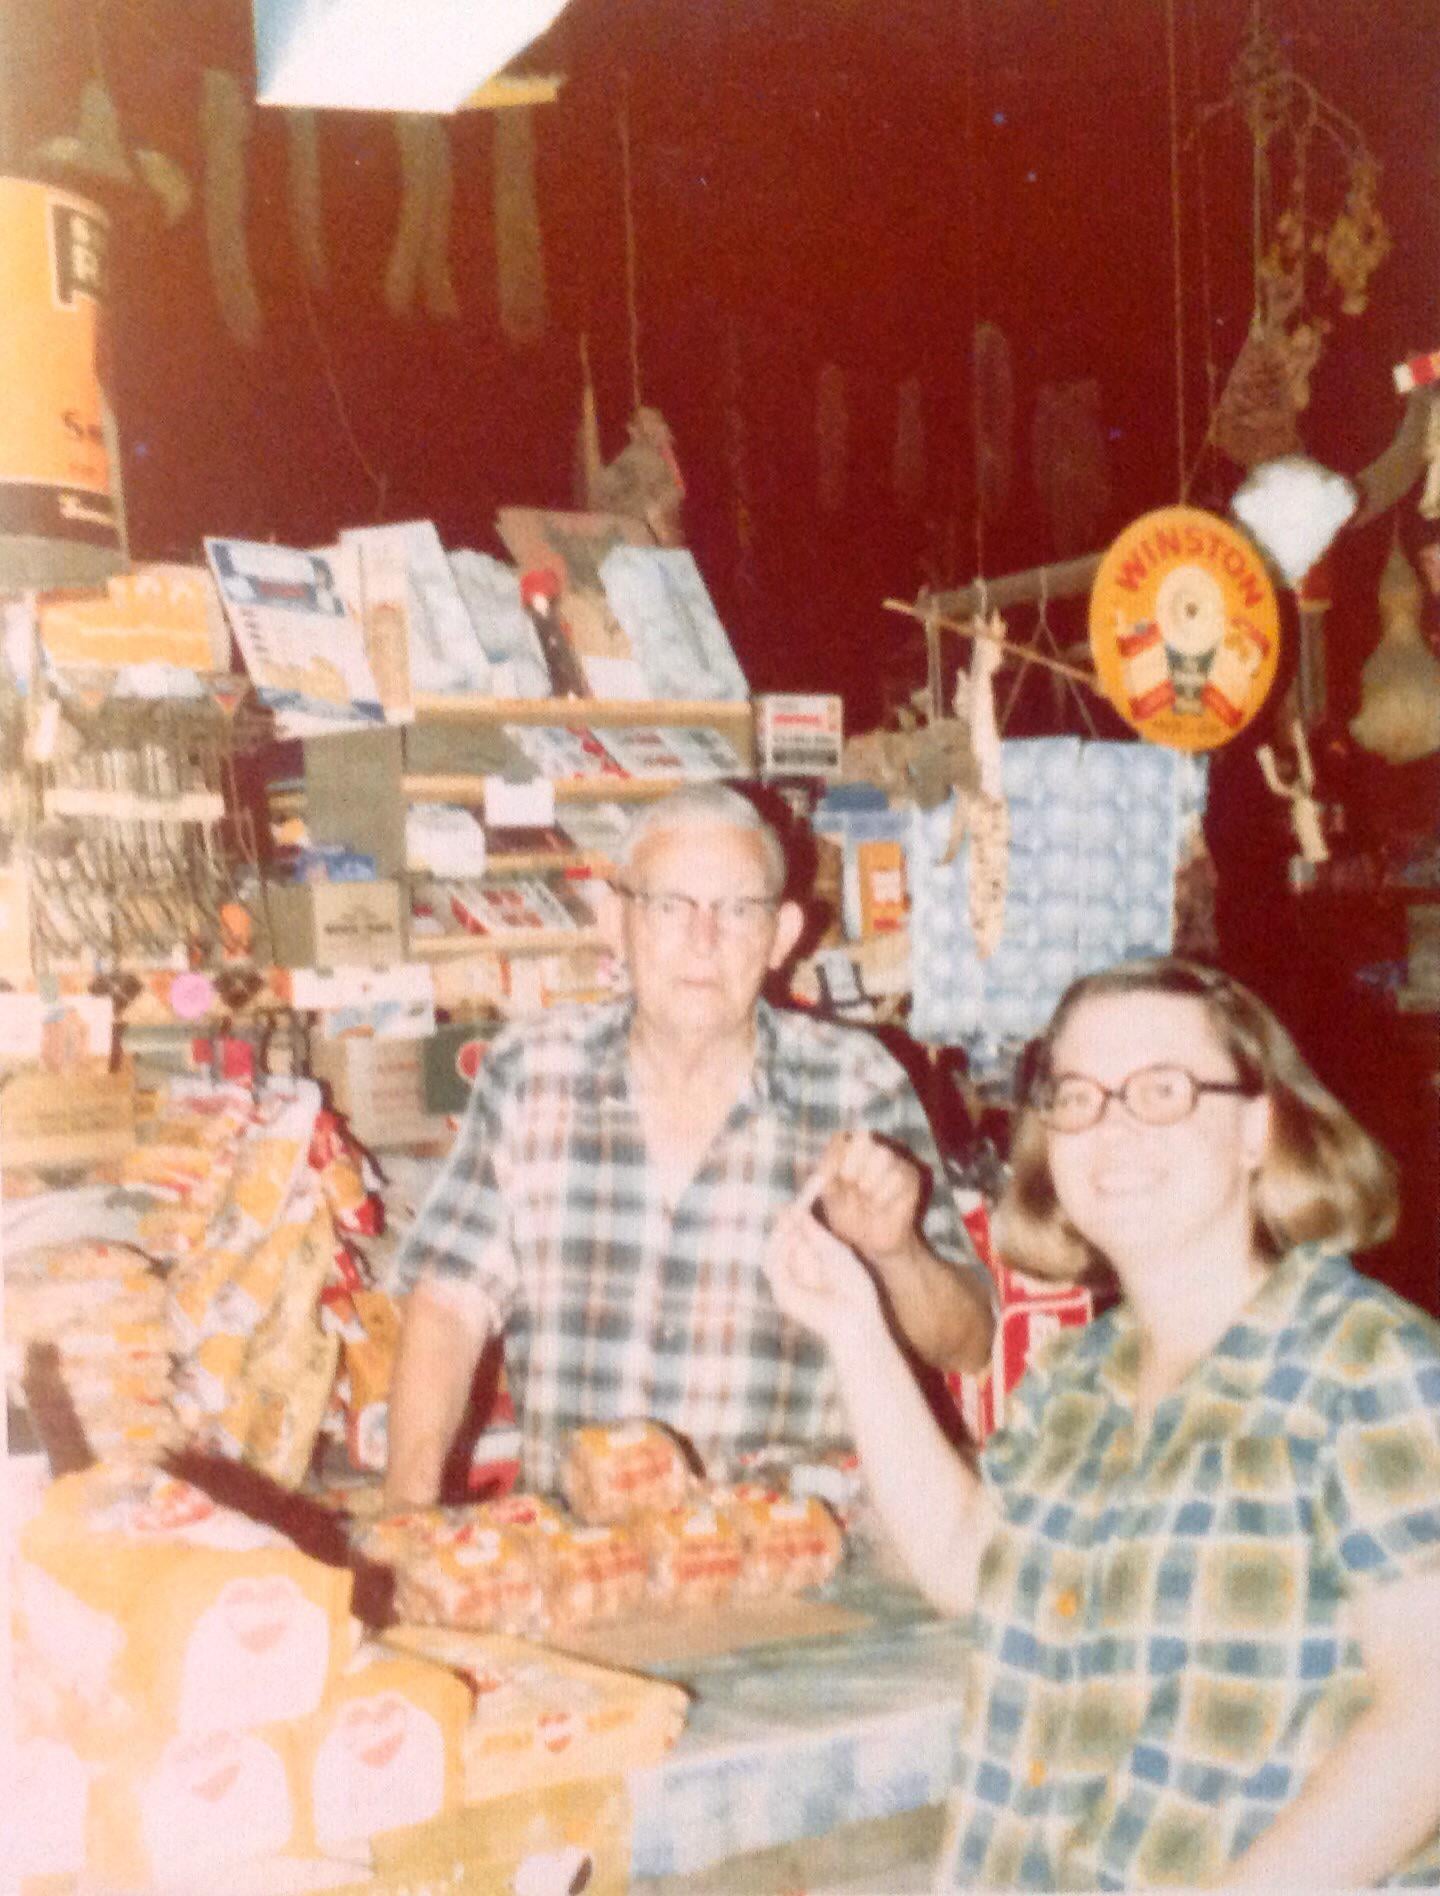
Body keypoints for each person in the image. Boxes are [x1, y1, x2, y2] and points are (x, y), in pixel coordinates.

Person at [765, 955, 1440, 1889]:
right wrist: (853, 1325)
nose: (1111, 1130)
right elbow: (968, 1562)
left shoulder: (1369, 1368)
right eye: (1076, 1097)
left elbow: (1428, 1726)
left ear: (1257, 1127)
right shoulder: (1080, 1379)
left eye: (1161, 1090)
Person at [384, 783, 994, 1507]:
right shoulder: (531, 1074)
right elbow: (451, 1303)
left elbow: (969, 1342)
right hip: (582, 1566)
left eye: (739, 910)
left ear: (783, 934)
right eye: (671, 905)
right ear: (616, 921)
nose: (704, 940)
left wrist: (897, 1255)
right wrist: (409, 1513)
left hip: (799, 1573)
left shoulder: (855, 1084)